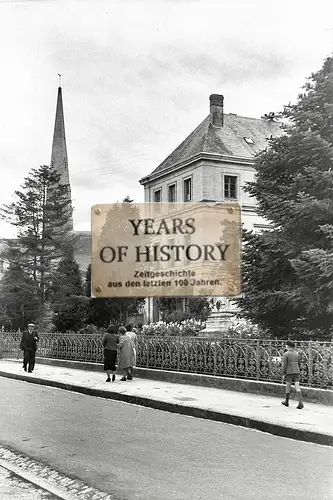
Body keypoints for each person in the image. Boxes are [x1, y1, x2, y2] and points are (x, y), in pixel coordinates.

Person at [281, 340, 304, 409]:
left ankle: (286, 401)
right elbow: (299, 363)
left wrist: (283, 373)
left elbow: (284, 365)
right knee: (297, 387)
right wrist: (297, 369)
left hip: (289, 372)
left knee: (288, 386)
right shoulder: (297, 354)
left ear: (288, 346)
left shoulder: (286, 354)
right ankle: (301, 402)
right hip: (297, 372)